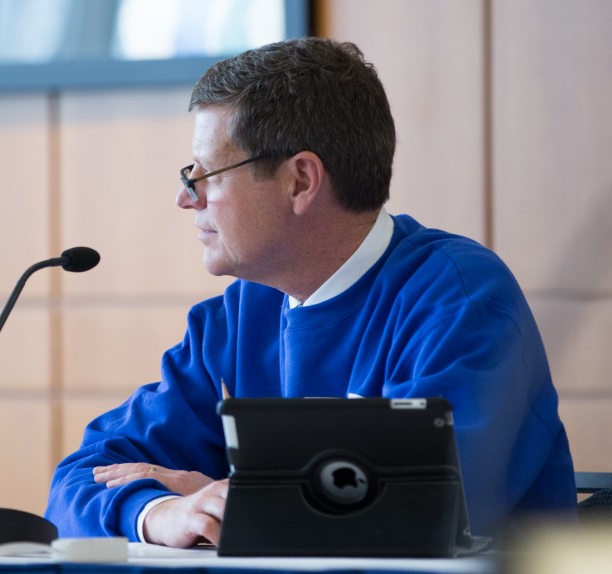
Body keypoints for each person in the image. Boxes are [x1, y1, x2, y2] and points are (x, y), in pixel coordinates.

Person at [44, 37, 577, 548]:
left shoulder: (462, 299)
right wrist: (157, 511)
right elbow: (80, 479)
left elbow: (421, 512)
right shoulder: (238, 315)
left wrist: (226, 496)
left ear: (300, 180)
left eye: (206, 176)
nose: (187, 200)